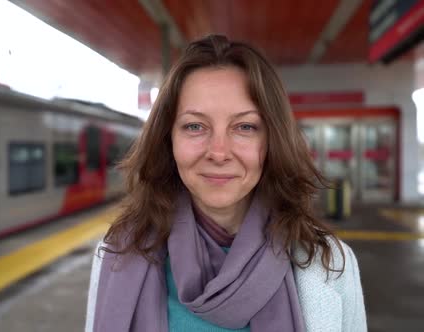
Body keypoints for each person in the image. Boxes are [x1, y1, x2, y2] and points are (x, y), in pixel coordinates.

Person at [85, 35, 367, 332]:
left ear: (273, 140)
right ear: (168, 140)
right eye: (195, 126)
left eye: (245, 127)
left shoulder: (331, 263)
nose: (218, 152)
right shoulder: (116, 254)